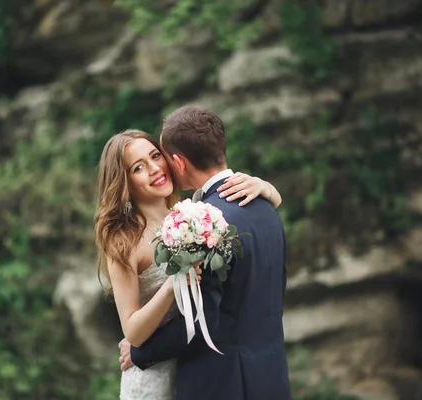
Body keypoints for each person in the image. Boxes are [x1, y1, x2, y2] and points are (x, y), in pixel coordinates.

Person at [94, 129, 282, 399]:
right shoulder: (124, 244)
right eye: (138, 167)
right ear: (125, 183)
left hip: (194, 365)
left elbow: (252, 221)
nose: (155, 169)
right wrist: (172, 284)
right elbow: (133, 332)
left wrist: (266, 189)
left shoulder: (192, 213)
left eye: (155, 156)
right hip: (153, 376)